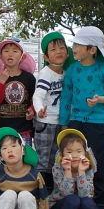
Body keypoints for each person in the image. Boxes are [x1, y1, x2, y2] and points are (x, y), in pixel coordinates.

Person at [58, 26, 104, 209]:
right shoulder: (72, 70)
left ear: (92, 49)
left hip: (98, 122)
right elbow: (66, 97)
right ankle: (74, 199)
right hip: (75, 122)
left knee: (98, 161)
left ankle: (100, 203)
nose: (74, 48)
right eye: (74, 44)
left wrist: (100, 99)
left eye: (78, 45)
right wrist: (64, 123)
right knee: (73, 160)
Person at [33, 31, 72, 190]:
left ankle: (54, 190)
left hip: (61, 122)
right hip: (46, 122)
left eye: (62, 48)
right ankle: (41, 191)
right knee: (43, 159)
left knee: (56, 157)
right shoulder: (46, 73)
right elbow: (38, 95)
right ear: (47, 57)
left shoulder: (67, 74)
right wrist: (39, 109)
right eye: (54, 50)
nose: (59, 52)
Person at [0, 37, 37, 143]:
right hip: (3, 130)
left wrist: (32, 109)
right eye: (6, 51)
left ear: (22, 56)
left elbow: (34, 100)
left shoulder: (29, 78)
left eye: (15, 51)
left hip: (24, 129)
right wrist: (1, 83)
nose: (10, 54)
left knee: (26, 158)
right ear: (1, 56)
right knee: (5, 158)